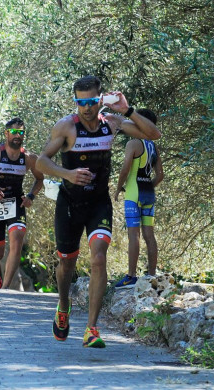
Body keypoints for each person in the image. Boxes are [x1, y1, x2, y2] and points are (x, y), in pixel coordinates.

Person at [36, 75, 161, 348]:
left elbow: (153, 135)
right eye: (81, 102)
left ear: (100, 99)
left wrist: (127, 110)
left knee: (99, 258)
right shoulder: (66, 127)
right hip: (69, 204)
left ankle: (92, 329)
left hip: (98, 203)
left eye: (92, 101)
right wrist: (67, 174)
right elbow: (42, 161)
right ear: (75, 102)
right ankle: (63, 304)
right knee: (66, 262)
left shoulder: (112, 124)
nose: (87, 108)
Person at [0, 117, 43, 289]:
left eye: (21, 132)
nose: (17, 135)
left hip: (16, 204)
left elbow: (39, 179)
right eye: (14, 132)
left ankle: (5, 289)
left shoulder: (29, 158)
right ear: (6, 134)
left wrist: (31, 196)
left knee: (17, 239)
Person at [114, 109, 164, 289]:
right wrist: (148, 185)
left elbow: (125, 169)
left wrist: (119, 188)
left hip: (133, 194)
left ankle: (131, 277)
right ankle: (152, 275)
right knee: (149, 235)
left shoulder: (133, 144)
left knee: (133, 235)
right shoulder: (153, 146)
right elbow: (160, 175)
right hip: (148, 194)